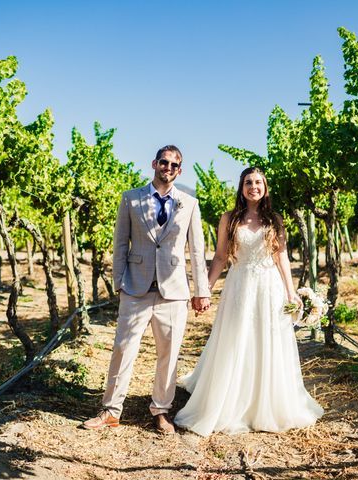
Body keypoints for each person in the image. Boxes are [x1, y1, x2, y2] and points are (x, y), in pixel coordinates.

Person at [174, 167, 324, 436]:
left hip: (269, 288)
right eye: (248, 182)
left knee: (267, 340)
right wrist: (204, 288)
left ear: (265, 187)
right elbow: (220, 257)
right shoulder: (229, 218)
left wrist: (291, 293)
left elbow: (282, 258)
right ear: (241, 188)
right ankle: (231, 401)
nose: (253, 186)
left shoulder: (274, 219)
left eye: (258, 182)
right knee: (236, 339)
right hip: (239, 284)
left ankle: (264, 404)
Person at [82, 145, 211, 434]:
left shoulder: (188, 203)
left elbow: (197, 250)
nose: (168, 167)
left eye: (174, 164)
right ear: (154, 163)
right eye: (163, 162)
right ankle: (111, 410)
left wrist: (201, 290)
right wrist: (119, 282)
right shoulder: (130, 199)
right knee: (123, 349)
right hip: (135, 288)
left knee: (170, 353)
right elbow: (119, 244)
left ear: (180, 170)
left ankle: (161, 411)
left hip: (174, 291)